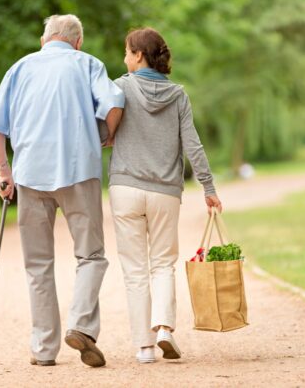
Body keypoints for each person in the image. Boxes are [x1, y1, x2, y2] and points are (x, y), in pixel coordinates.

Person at [0, 14, 124, 367]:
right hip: (79, 171)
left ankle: (44, 349)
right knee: (91, 256)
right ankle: (80, 325)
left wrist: (5, 172)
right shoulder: (88, 64)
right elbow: (114, 104)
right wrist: (105, 137)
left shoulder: (19, 68)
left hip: (30, 174)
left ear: (44, 40)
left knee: (37, 265)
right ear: (77, 41)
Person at [108, 27, 222, 364]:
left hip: (126, 188)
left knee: (134, 270)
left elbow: (104, 130)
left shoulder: (120, 88)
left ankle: (143, 347)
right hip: (164, 193)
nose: (125, 58)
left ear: (139, 55)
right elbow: (193, 146)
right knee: (162, 265)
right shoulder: (179, 95)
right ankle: (165, 330)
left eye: (128, 52)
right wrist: (208, 188)